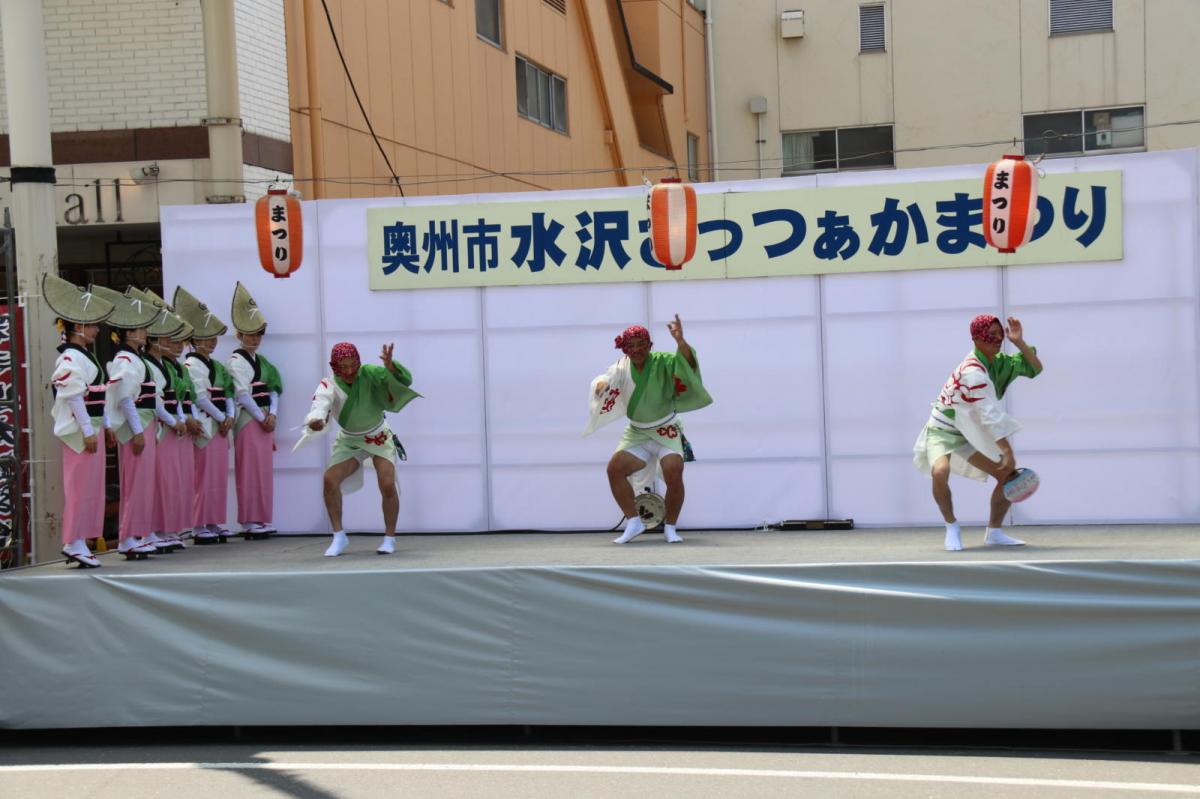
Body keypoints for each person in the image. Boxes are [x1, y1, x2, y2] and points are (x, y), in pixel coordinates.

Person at [913, 314, 1044, 551]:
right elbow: (989, 414)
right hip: (942, 429)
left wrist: (1019, 342)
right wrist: (1006, 450)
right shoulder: (972, 371)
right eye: (990, 335)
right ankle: (951, 526)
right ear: (975, 338)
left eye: (999, 335)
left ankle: (994, 532)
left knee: (1007, 476)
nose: (996, 339)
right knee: (940, 471)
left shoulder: (999, 362)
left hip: (968, 431)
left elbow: (1035, 368)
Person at [585, 315, 712, 544]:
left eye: (641, 345)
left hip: (666, 429)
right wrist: (601, 385)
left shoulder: (663, 361)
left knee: (674, 471)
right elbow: (606, 377)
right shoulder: (621, 367)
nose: (636, 350)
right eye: (631, 346)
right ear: (625, 349)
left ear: (649, 345)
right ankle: (634, 522)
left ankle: (670, 527)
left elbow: (686, 365)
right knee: (614, 469)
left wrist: (681, 342)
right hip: (638, 432)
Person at [298, 342, 419, 557]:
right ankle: (338, 536)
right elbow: (320, 405)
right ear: (334, 366)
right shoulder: (329, 384)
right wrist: (316, 420)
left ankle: (389, 538)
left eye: (353, 364)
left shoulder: (370, 373)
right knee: (329, 480)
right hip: (350, 440)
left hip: (378, 435)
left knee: (387, 483)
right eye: (343, 366)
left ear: (359, 362)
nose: (349, 371)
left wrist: (391, 366)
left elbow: (403, 381)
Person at [44, 274, 116, 568]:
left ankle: (81, 541)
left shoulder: (83, 355)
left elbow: (99, 394)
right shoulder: (70, 358)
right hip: (79, 431)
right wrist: (88, 430)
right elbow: (74, 397)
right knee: (79, 487)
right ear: (78, 327)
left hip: (92, 427)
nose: (97, 330)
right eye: (93, 325)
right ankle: (72, 541)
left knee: (90, 487)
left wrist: (106, 425)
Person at [92, 284, 164, 559]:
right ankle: (127, 536)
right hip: (138, 421)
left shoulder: (136, 357)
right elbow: (124, 398)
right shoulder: (124, 358)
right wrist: (136, 431)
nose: (146, 333)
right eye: (142, 328)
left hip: (144, 420)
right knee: (135, 482)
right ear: (130, 333)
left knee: (143, 482)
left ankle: (139, 533)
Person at [173, 286, 235, 545]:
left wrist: (229, 414)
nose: (211, 342)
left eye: (213, 338)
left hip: (219, 420)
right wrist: (222, 418)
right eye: (206, 337)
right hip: (205, 421)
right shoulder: (190, 365)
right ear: (193, 339)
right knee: (202, 476)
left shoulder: (216, 365)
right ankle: (198, 524)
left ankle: (213, 521)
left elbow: (228, 391)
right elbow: (199, 396)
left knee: (217, 476)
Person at [131, 288, 190, 553]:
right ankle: (151, 530)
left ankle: (164, 528)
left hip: (166, 424)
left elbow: (172, 396)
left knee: (168, 480)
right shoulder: (146, 363)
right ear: (154, 340)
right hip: (157, 425)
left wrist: (178, 418)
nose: (173, 342)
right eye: (167, 337)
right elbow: (153, 400)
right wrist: (173, 420)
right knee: (157, 480)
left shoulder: (163, 365)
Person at [228, 282, 282, 539]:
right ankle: (249, 520)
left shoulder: (262, 362)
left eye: (258, 334)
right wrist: (263, 417)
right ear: (239, 335)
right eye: (249, 334)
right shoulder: (235, 361)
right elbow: (241, 394)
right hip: (249, 419)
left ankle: (262, 518)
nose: (254, 339)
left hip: (263, 419)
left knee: (262, 470)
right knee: (248, 470)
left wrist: (273, 413)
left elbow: (274, 388)